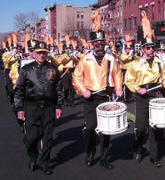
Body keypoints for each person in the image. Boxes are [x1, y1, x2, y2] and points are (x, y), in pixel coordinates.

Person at [125, 14, 165, 167]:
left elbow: (164, 77)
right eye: (148, 47)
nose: (151, 50)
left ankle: (154, 156)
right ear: (143, 49)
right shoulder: (135, 64)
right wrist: (138, 90)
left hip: (156, 95)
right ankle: (138, 148)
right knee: (140, 127)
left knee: (155, 126)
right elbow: (128, 81)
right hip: (142, 96)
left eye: (152, 47)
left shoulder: (159, 62)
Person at [72, 34, 123, 169]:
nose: (99, 46)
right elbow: (77, 77)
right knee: (90, 128)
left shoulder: (111, 59)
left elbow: (117, 74)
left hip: (105, 98)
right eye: (96, 44)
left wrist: (118, 88)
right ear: (92, 44)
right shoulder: (85, 60)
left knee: (106, 129)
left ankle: (104, 158)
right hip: (90, 98)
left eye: (101, 44)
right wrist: (83, 91)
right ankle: (90, 153)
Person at [14, 41, 63, 175]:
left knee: (47, 137)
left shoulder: (53, 68)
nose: (41, 55)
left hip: (48, 107)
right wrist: (19, 108)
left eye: (44, 52)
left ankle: (44, 162)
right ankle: (33, 156)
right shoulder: (26, 70)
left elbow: (58, 89)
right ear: (34, 53)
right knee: (31, 137)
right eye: (39, 52)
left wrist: (59, 105)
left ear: (47, 53)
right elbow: (19, 90)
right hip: (32, 106)